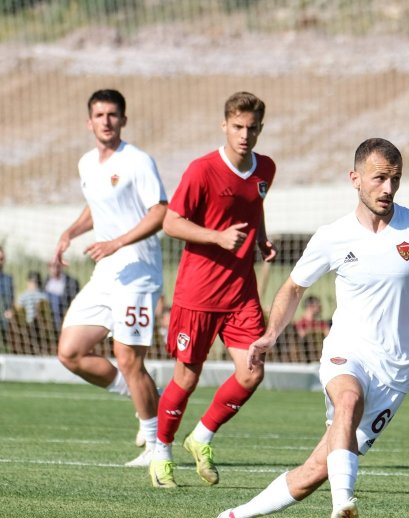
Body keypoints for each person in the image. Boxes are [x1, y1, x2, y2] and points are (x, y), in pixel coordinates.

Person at [197, 137, 409, 518]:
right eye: (379, 178)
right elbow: (293, 287)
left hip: (394, 372)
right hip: (346, 352)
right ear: (355, 179)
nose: (388, 188)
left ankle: (233, 517)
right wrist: (271, 334)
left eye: (395, 179)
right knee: (347, 400)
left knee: (315, 470)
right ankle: (343, 506)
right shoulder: (333, 236)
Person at [149, 91, 277, 489]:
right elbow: (171, 222)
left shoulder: (266, 168)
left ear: (260, 129)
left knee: (252, 372)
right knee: (187, 379)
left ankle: (201, 436)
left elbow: (253, 206)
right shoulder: (202, 170)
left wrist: (261, 239)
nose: (244, 135)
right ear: (224, 125)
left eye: (252, 128)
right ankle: (161, 453)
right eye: (237, 127)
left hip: (241, 293)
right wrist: (217, 237)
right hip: (198, 293)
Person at [53, 89, 168, 465]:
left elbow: (160, 211)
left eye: (113, 114)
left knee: (128, 357)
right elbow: (96, 206)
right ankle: (146, 396)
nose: (106, 121)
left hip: (138, 272)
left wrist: (117, 242)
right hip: (107, 272)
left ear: (123, 120)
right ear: (89, 122)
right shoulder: (87, 163)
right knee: (70, 352)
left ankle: (156, 446)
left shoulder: (138, 161)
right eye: (100, 115)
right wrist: (70, 232)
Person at [44, 258, 81, 332]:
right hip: (48, 309)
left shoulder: (71, 282)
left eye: (57, 265)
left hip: (64, 309)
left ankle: (58, 329)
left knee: (55, 300)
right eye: (52, 265)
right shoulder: (46, 282)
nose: (55, 268)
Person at [0, 245, 15, 347]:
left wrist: (11, 311)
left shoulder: (8, 279)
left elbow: (12, 300)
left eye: (2, 259)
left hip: (5, 322)